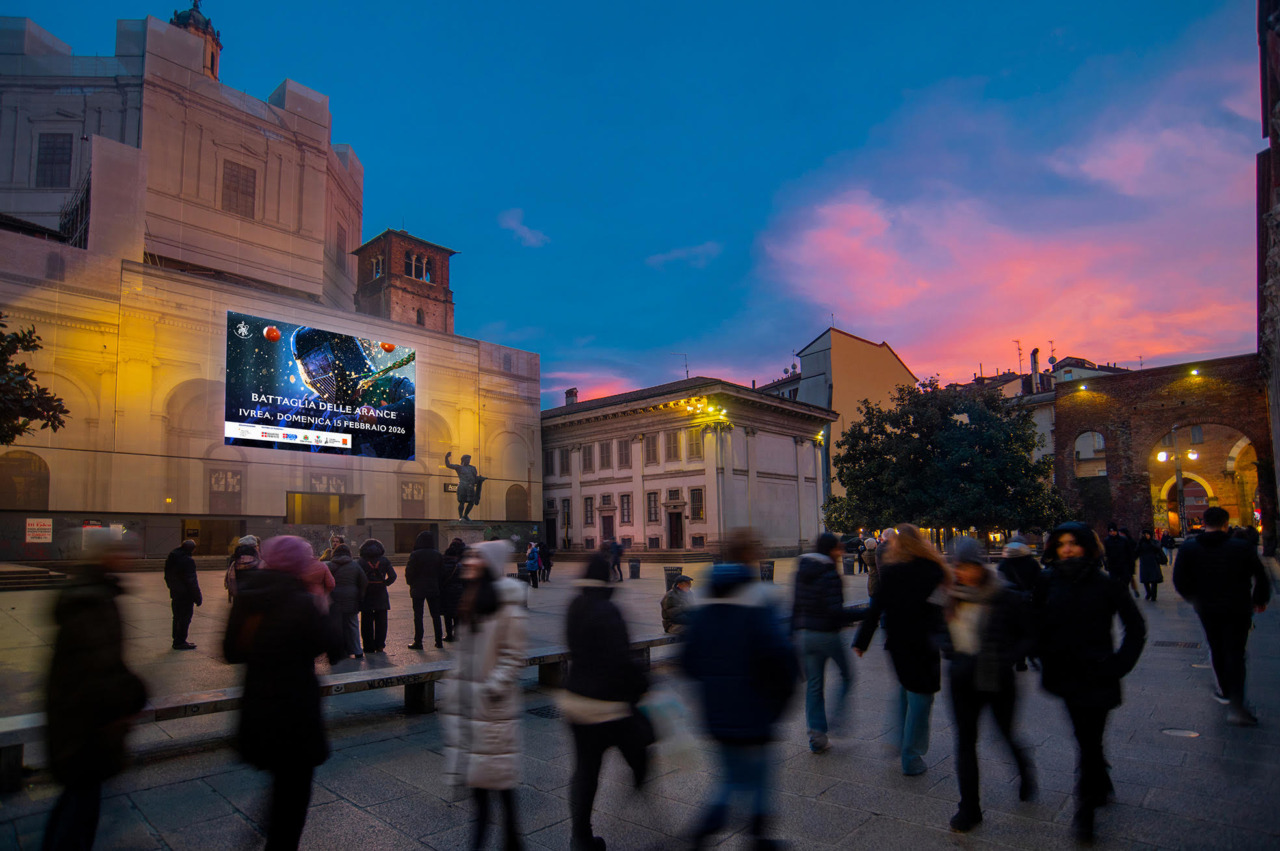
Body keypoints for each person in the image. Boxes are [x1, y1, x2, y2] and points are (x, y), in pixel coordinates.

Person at [225, 535, 343, 850]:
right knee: (292, 796)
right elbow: (334, 646)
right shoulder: (303, 602)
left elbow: (230, 651)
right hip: (295, 710)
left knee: (279, 785)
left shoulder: (248, 598)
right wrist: (327, 611)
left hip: (258, 705)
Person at [682, 531, 798, 850]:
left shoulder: (703, 596)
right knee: (753, 775)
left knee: (733, 774)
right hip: (754, 707)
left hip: (716, 709)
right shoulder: (762, 597)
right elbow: (779, 655)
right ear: (751, 557)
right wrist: (782, 698)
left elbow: (688, 659)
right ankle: (720, 833)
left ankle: (749, 835)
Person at [1035, 521, 1145, 842]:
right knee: (1085, 737)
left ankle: (1085, 810)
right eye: (1061, 544)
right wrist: (1041, 653)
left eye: (1073, 543)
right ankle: (1100, 779)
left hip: (1098, 674)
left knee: (1089, 739)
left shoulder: (1106, 584)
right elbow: (1034, 621)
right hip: (1065, 673)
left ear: (1087, 546)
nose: (1067, 549)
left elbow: (1135, 628)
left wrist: (1118, 665)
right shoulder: (1046, 581)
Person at [43, 535, 148, 851]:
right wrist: (133, 694)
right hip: (86, 721)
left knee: (79, 798)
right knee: (80, 803)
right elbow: (98, 664)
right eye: (120, 551)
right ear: (105, 556)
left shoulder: (90, 593)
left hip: (79, 715)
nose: (127, 556)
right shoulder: (93, 600)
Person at [559, 553, 654, 851]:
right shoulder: (609, 610)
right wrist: (643, 685)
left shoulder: (575, 605)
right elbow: (621, 659)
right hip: (608, 705)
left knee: (585, 770)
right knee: (639, 748)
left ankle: (580, 837)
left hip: (576, 700)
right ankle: (640, 787)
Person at [941, 538, 1037, 833]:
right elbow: (939, 631)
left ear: (980, 566)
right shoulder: (950, 596)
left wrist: (1005, 655)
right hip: (961, 681)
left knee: (1004, 734)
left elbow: (1030, 635)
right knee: (965, 743)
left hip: (996, 680)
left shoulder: (1003, 595)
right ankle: (969, 808)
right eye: (957, 567)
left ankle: (1024, 769)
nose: (962, 573)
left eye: (967, 567)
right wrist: (949, 649)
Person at [441, 540, 527, 851]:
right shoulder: (472, 598)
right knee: (494, 789)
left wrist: (490, 689)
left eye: (475, 556)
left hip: (492, 712)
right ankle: (514, 843)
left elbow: (514, 656)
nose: (468, 560)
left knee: (492, 791)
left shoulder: (506, 604)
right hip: (471, 710)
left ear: (489, 563)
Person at [853, 524, 948, 775]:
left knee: (906, 688)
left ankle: (898, 737)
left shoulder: (893, 571)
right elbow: (940, 609)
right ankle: (912, 754)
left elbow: (876, 607)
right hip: (923, 642)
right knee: (922, 695)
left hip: (896, 642)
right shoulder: (933, 570)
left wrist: (861, 641)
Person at [1173, 506, 1271, 726]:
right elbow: (1261, 576)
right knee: (1236, 652)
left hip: (1207, 608)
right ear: (1226, 523)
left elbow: (1179, 581)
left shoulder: (1189, 549)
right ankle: (1236, 703)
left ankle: (1225, 690)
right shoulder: (1242, 547)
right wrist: (1259, 600)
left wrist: (1194, 599)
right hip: (1238, 607)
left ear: (1204, 523)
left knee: (1216, 647)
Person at [791, 532, 856, 754]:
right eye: (839, 548)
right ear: (831, 550)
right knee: (847, 676)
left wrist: (793, 633)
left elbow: (795, 605)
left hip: (805, 634)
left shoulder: (802, 570)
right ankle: (838, 720)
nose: (842, 552)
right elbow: (834, 611)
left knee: (814, 686)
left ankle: (817, 736)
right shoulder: (830, 573)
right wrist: (864, 614)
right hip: (827, 635)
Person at [326, 544, 367, 658]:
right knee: (353, 624)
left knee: (337, 626)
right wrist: (360, 596)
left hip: (334, 599)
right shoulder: (355, 565)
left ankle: (341, 651)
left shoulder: (329, 566)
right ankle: (357, 650)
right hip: (351, 598)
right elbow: (364, 582)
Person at [405, 531, 445, 649]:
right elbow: (442, 572)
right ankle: (439, 641)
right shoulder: (437, 554)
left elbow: (409, 572)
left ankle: (418, 641)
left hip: (418, 588)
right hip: (433, 587)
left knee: (418, 616)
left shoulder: (415, 554)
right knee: (435, 615)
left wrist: (410, 583)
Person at [357, 539, 397, 653]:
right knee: (382, 621)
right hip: (381, 593)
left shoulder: (361, 561)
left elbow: (357, 577)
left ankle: (368, 646)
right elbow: (393, 576)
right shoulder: (384, 560)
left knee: (366, 621)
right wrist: (385, 583)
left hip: (367, 593)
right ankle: (380, 645)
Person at [164, 538, 202, 650]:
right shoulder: (188, 560)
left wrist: (172, 587)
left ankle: (176, 639)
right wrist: (197, 596)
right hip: (186, 595)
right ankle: (180, 641)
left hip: (176, 593)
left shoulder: (172, 558)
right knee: (185, 618)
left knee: (176, 617)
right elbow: (191, 581)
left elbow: (167, 576)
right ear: (192, 549)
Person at [445, 451, 486, 520]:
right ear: (463, 460)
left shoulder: (473, 468)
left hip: (470, 487)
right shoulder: (459, 467)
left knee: (472, 502)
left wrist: (480, 479)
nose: (468, 461)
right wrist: (446, 457)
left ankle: (466, 515)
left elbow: (474, 478)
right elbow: (448, 465)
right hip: (462, 486)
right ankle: (461, 517)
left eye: (469, 459)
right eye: (467, 459)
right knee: (462, 502)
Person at [1102, 523, 1138, 598]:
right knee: (1115, 584)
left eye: (1113, 531)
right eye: (1110, 531)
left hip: (1124, 566)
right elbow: (1105, 554)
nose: (1112, 533)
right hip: (1113, 566)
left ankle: (1125, 598)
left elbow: (1129, 554)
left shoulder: (1123, 540)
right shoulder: (1107, 541)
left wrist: (1131, 566)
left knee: (1124, 584)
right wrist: (1106, 565)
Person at [441, 537, 467, 642]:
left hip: (446, 592)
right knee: (457, 615)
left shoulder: (442, 565)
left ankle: (449, 635)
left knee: (447, 615)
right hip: (458, 591)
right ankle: (457, 634)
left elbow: (440, 578)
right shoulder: (460, 566)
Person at [1136, 530, 1166, 602]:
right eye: (1145, 534)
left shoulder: (1154, 542)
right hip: (1144, 563)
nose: (1146, 536)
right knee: (1145, 580)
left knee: (1154, 580)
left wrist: (1150, 543)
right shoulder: (1141, 543)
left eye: (1147, 534)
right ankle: (1148, 592)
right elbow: (1136, 552)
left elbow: (1158, 548)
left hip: (1153, 563)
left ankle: (1153, 595)